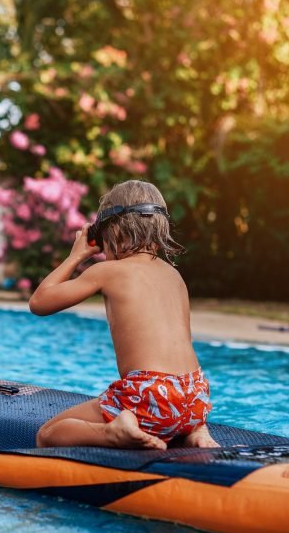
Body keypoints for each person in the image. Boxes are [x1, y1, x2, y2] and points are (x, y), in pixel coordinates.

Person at [29, 180, 219, 450]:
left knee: (48, 434)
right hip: (195, 394)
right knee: (177, 397)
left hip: (149, 395)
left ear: (112, 231)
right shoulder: (174, 275)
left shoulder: (107, 272)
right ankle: (195, 429)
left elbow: (39, 302)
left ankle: (114, 432)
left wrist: (76, 256)